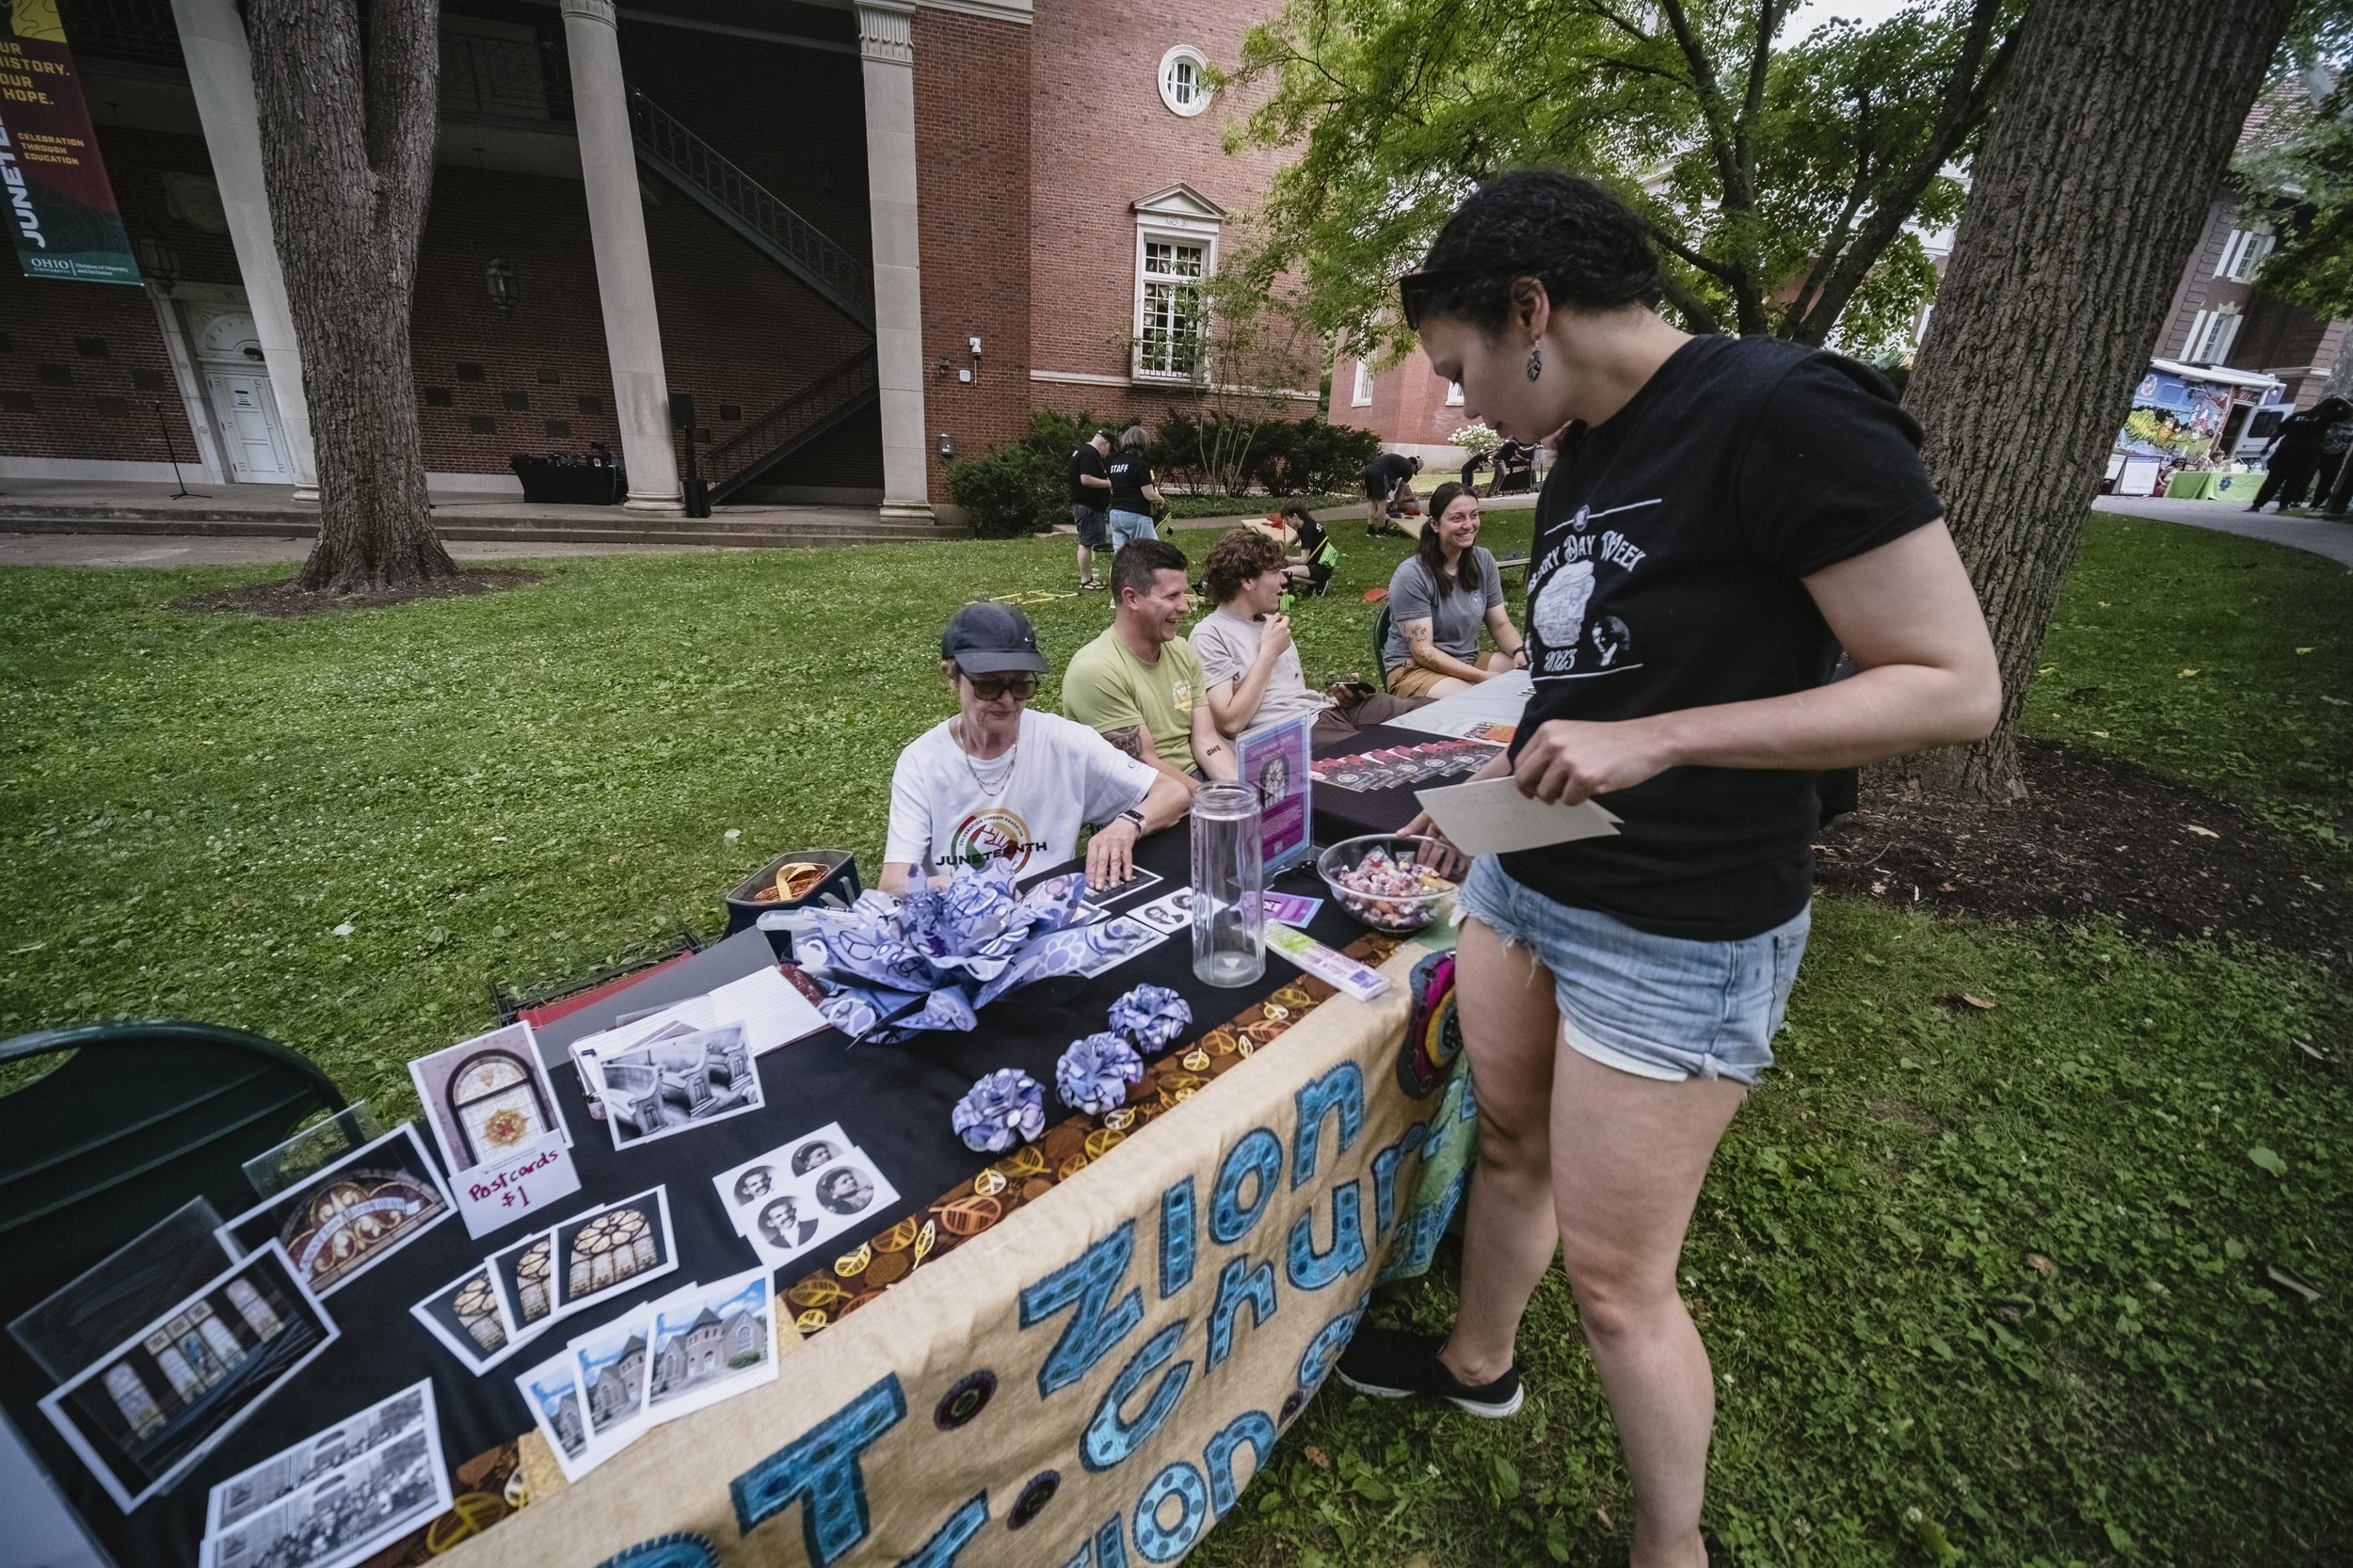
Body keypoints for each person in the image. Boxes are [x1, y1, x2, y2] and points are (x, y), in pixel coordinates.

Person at [1337, 170, 1998, 1568]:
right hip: (1533, 880)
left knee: (1623, 1282)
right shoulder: (1578, 446)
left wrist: (1664, 740)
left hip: (1683, 927)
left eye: (1458, 368)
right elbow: (1578, 680)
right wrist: (1481, 809)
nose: (1459, 405)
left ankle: (1672, 1548)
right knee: (1510, 1143)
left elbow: (1952, 684)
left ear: (1532, 311)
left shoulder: (1785, 409)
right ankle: (1477, 1359)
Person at [881, 600, 1189, 896]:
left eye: (1021, 685)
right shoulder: (922, 762)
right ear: (950, 676)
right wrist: (982, 888)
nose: (1006, 700)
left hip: (1051, 910)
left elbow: (1172, 793)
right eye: (987, 685)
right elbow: (895, 884)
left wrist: (1127, 824)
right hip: (961, 921)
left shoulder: (1064, 741)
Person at [1192, 526, 1429, 747]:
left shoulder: (1270, 623)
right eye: (1275, 572)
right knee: (1377, 751)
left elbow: (1290, 694)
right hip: (1287, 732)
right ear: (1247, 580)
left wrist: (1342, 698)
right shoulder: (1210, 635)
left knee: (1426, 712)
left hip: (1325, 711)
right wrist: (1268, 653)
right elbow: (1230, 724)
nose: (1284, 580)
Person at [1064, 538, 1239, 791]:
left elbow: (1206, 740)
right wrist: (1212, 800)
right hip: (1137, 797)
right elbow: (1142, 764)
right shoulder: (1095, 670)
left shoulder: (1181, 650)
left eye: (1183, 593)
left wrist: (1240, 791)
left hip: (1195, 781)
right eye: (1171, 596)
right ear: (1132, 598)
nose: (1185, 606)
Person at [1380, 481, 1527, 698]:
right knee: (1480, 699)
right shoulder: (1411, 574)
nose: (1469, 525)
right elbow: (1423, 652)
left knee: (1531, 677)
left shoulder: (1483, 560)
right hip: (1413, 669)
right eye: (1457, 518)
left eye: (1474, 515)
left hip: (1467, 660)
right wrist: (1481, 678)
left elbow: (1500, 623)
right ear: (1435, 524)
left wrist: (1519, 651)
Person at [2247, 396, 2348, 513]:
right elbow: (2349, 410)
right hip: (2307, 452)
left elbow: (2279, 431)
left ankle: (2257, 505)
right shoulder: (2326, 418)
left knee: (2273, 479)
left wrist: (2267, 446)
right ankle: (2283, 506)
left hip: (2286, 449)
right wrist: (2341, 400)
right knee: (2295, 481)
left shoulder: (2298, 416)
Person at [1068, 429, 1113, 588]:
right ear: (1105, 443)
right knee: (1086, 542)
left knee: (1088, 541)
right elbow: (1085, 479)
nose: (1107, 454)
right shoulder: (1090, 454)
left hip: (1087, 505)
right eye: (1109, 448)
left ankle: (1087, 577)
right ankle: (1085, 580)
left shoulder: (1083, 451)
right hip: (1087, 506)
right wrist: (1110, 483)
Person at [1107, 425, 1163, 552]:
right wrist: (1161, 500)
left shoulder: (1115, 463)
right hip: (1136, 514)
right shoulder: (1140, 464)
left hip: (1115, 513)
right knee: (1151, 551)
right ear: (1143, 443)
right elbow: (1149, 495)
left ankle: (1120, 571)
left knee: (1121, 555)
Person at [1363, 450, 1422, 536]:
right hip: (1380, 472)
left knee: (1373, 502)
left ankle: (1370, 530)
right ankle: (1381, 531)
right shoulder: (1408, 469)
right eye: (1415, 470)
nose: (1413, 472)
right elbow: (1400, 490)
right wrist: (1395, 504)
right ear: (1415, 466)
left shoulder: (1401, 461)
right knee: (1382, 503)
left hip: (1368, 469)